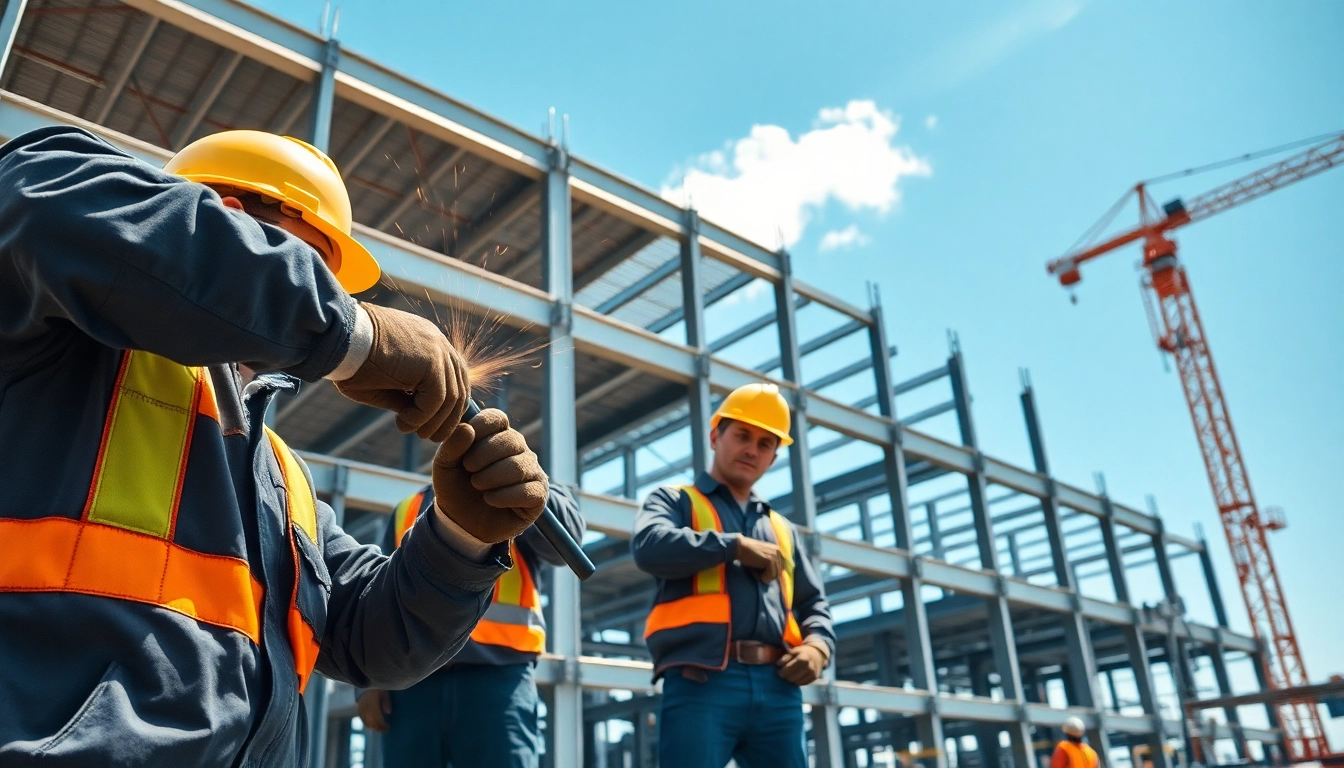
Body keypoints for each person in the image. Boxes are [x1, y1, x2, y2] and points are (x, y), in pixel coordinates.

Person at [0, 126, 550, 767]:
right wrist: (356, 336)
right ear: (224, 217)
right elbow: (36, 198)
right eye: (310, 267)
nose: (325, 297)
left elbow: (370, 640)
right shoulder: (59, 349)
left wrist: (460, 538)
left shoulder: (281, 475)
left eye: (331, 285)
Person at [631, 382, 836, 768]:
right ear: (715, 436)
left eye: (765, 443)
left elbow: (813, 603)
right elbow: (649, 546)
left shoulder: (782, 529)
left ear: (773, 458)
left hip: (779, 687)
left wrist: (818, 647)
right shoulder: (675, 501)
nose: (752, 449)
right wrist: (734, 546)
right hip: (701, 681)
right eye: (743, 435)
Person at [356, 483, 585, 768]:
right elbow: (382, 597)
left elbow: (566, 545)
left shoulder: (520, 482)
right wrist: (369, 681)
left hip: (499, 679)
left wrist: (529, 484)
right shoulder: (407, 508)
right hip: (411, 684)